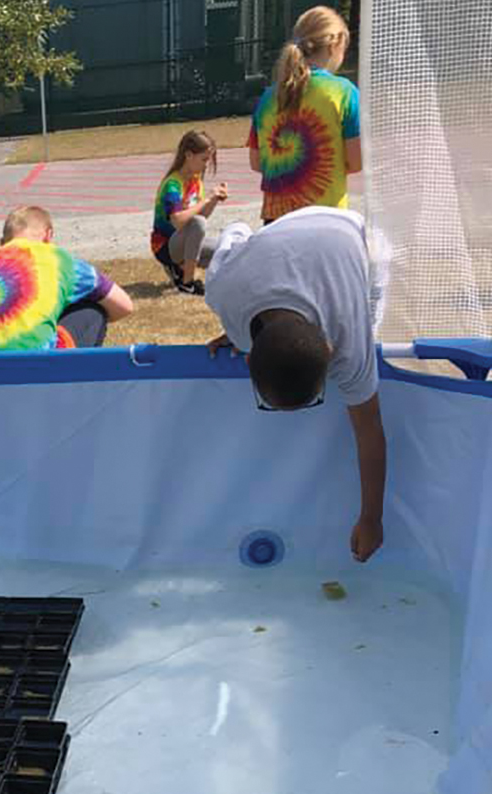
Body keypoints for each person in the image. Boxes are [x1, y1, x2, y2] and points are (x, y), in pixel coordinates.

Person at [204, 207, 386, 564]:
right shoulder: (223, 289)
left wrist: (372, 518)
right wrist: (240, 330)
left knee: (377, 330)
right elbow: (237, 229)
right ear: (246, 358)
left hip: (356, 238)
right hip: (287, 235)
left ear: (332, 352)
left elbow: (370, 429)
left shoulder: (349, 339)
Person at [0, 206, 133, 352]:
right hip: (37, 372)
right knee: (93, 310)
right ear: (48, 235)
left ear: (2, 243)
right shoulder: (60, 260)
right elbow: (124, 305)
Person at [248, 5, 361, 225]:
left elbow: (257, 162)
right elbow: (356, 162)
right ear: (334, 45)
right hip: (326, 220)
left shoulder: (267, 98)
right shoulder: (344, 92)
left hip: (276, 222)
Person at [150, 130, 228, 296]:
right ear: (188, 155)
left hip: (183, 239)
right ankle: (187, 283)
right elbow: (178, 221)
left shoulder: (195, 179)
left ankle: (180, 268)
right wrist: (205, 200)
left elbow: (201, 217)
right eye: (204, 159)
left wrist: (214, 199)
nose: (207, 164)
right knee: (198, 223)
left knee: (226, 250)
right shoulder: (173, 184)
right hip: (166, 245)